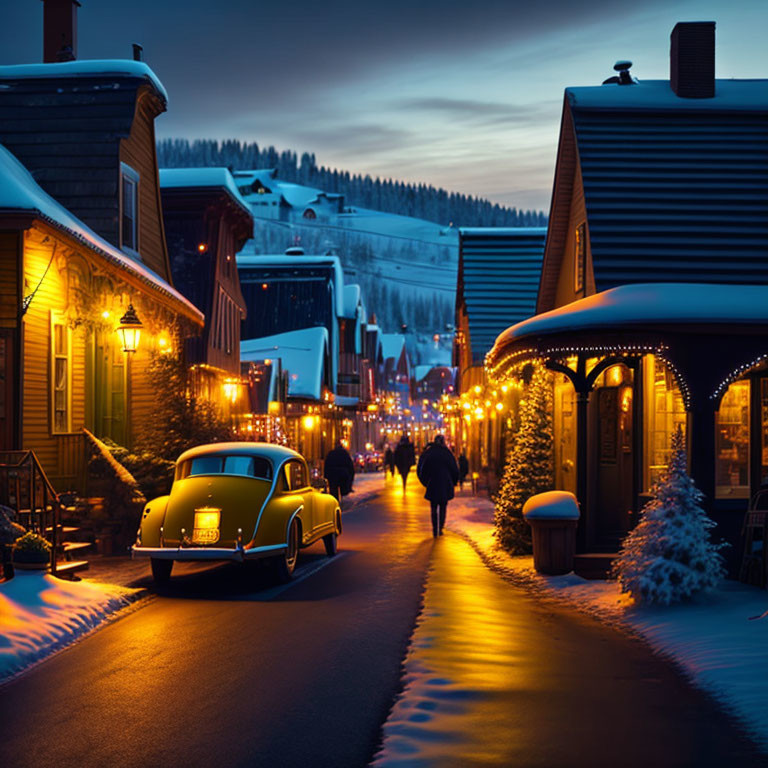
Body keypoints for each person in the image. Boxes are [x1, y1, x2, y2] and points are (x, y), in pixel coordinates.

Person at [417, 434, 459, 537]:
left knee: (433, 507)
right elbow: (454, 469)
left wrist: (426, 482)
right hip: (445, 483)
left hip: (433, 483)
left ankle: (435, 528)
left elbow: (422, 470)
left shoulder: (429, 453)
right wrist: (453, 482)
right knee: (443, 506)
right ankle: (440, 527)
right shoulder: (447, 454)